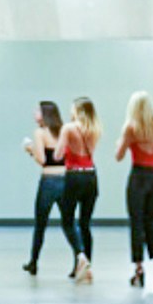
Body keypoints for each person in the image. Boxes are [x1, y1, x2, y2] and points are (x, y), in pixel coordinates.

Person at [117, 92, 153, 286]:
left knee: (137, 222)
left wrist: (128, 144)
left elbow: (119, 155)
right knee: (151, 220)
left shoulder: (131, 128)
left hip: (139, 176)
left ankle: (139, 270)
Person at [56, 97, 100, 280]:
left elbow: (58, 155)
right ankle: (85, 269)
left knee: (67, 221)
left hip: (74, 177)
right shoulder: (95, 129)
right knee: (84, 224)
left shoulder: (68, 128)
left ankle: (80, 256)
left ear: (77, 110)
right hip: (91, 177)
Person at [22, 99, 65, 277]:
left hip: (48, 180)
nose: (34, 113)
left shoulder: (40, 132)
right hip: (66, 179)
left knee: (40, 224)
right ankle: (81, 258)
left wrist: (30, 149)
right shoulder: (64, 131)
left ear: (45, 114)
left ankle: (34, 262)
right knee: (69, 223)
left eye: (37, 111)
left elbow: (42, 160)